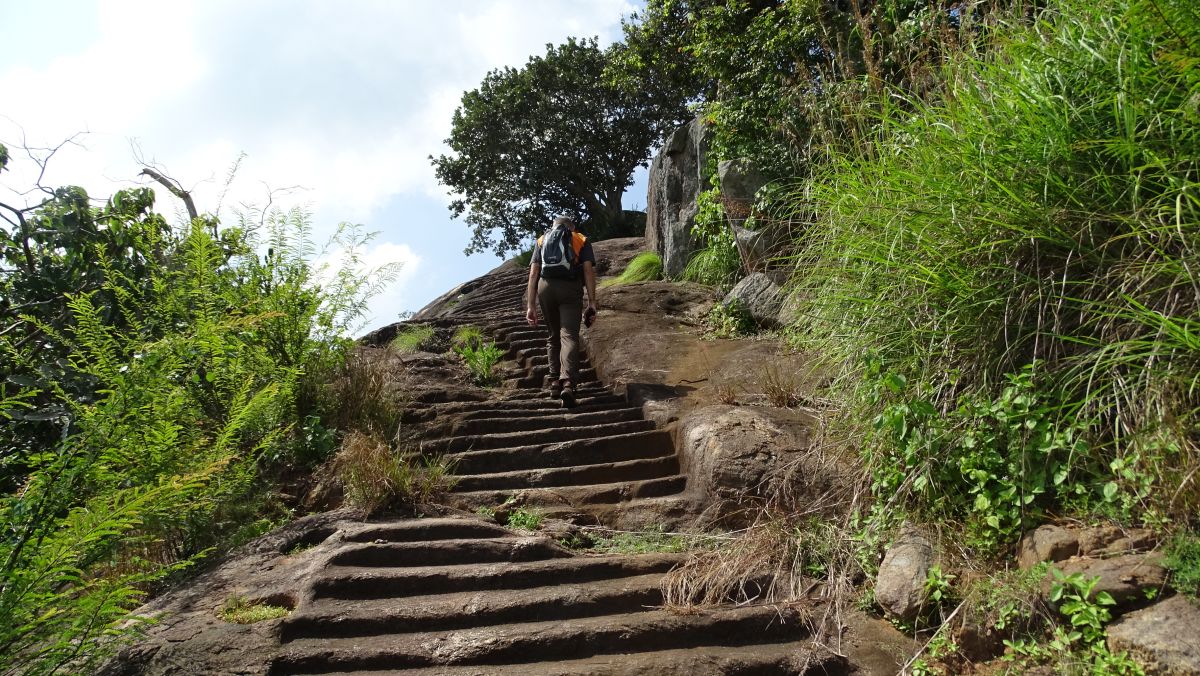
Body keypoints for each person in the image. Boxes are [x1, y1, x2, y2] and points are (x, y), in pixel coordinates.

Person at [524, 215, 598, 407]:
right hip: (569, 288)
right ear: (571, 226)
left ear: (554, 226)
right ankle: (568, 383)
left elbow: (533, 273)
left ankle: (554, 382)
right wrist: (591, 302)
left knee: (553, 336)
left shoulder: (542, 240)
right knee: (569, 336)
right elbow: (588, 270)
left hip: (545, 287)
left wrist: (531, 305)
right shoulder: (580, 239)